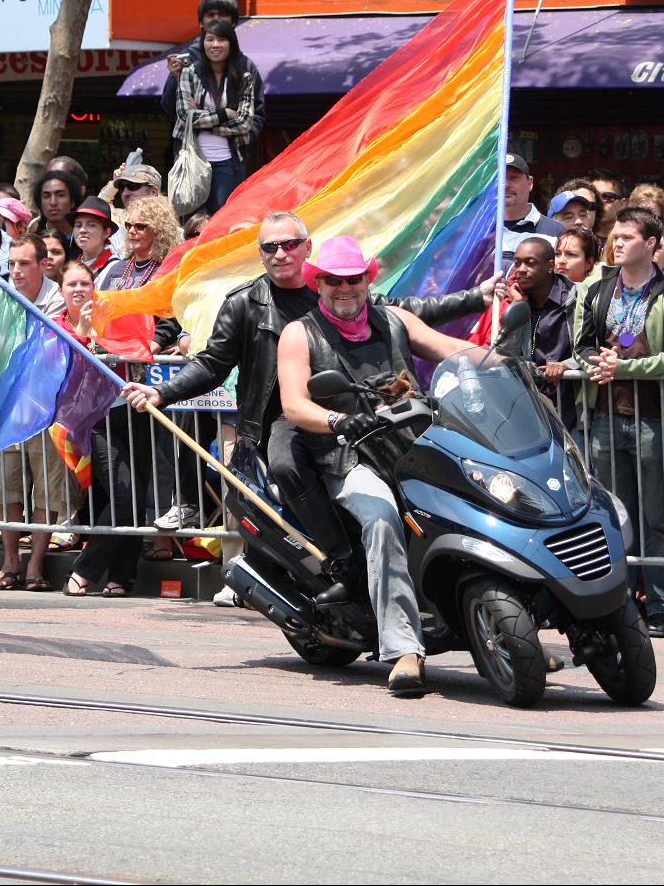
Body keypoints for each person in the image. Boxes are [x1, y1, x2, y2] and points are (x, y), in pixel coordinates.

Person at [122, 211, 497, 604]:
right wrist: (162, 393)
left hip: (354, 408)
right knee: (285, 463)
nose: (280, 253)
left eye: (289, 244)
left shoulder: (334, 286)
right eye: (271, 246)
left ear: (307, 249)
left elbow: (404, 311)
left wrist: (477, 298)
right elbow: (213, 363)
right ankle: (344, 562)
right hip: (284, 415)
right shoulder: (245, 303)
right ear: (260, 253)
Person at [275, 236, 478, 694]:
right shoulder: (299, 333)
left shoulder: (392, 317)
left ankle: (495, 627)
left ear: (368, 279)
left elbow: (451, 348)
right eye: (333, 280)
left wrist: (509, 364)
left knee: (481, 500)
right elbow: (294, 404)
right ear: (318, 283)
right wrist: (339, 419)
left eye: (353, 279)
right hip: (351, 458)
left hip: (414, 446)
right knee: (383, 518)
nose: (344, 288)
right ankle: (405, 650)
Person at [572, 207, 664, 631]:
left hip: (653, 417)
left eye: (627, 237)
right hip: (601, 415)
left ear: (652, 243)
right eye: (614, 236)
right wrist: (594, 366)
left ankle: (660, 604)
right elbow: (580, 346)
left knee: (656, 514)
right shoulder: (595, 289)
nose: (617, 243)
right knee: (610, 514)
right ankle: (615, 600)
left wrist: (624, 369)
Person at [65, 199, 185, 598]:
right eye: (129, 225)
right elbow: (99, 315)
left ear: (158, 230)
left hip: (146, 390)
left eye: (141, 226)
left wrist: (152, 342)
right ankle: (87, 567)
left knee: (138, 482)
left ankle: (122, 575)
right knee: (121, 489)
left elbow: (171, 318)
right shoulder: (115, 270)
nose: (132, 232)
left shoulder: (168, 269)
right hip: (107, 390)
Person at [0, 234, 71, 591]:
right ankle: (10, 562)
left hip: (47, 411)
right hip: (7, 411)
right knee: (5, 491)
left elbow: (42, 348)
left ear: (42, 264)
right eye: (12, 265)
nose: (16, 272)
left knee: (47, 493)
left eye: (23, 264)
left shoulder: (57, 298)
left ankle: (36, 565)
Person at [469, 236, 577, 425]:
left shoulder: (576, 299)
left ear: (550, 265)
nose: (521, 270)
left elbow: (592, 346)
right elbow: (505, 354)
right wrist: (519, 305)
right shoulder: (514, 301)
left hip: (572, 409)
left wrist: (568, 365)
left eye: (530, 263)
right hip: (528, 409)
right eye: (517, 263)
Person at [160, 0, 266, 147]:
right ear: (201, 22)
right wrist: (176, 80)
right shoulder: (185, 60)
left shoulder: (245, 66)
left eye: (223, 15)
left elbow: (256, 115)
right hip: (191, 156)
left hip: (232, 158)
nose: (216, 19)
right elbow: (169, 109)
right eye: (210, 15)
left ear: (233, 22)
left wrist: (241, 139)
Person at [175, 18, 257, 215]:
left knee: (221, 219)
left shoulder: (244, 78)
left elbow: (244, 123)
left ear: (231, 43)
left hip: (227, 162)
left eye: (222, 40)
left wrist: (202, 122)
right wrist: (224, 113)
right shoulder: (189, 73)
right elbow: (184, 116)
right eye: (209, 39)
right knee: (193, 222)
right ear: (203, 43)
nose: (215, 45)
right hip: (193, 161)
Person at [499, 155, 563, 273]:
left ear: (530, 183)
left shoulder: (557, 232)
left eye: (514, 178)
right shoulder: (477, 232)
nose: (506, 185)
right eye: (500, 178)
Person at [70, 196, 118, 276]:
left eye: (91, 225)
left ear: (106, 233)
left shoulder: (115, 269)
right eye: (78, 225)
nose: (82, 230)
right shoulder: (72, 267)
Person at [33, 168, 85, 240]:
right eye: (46, 196)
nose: (53, 202)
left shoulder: (85, 241)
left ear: (72, 202)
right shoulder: (34, 244)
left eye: (60, 195)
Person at [587, 170, 626, 238]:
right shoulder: (581, 238)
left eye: (607, 196)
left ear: (622, 204)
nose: (600, 202)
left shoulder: (629, 240)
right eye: (596, 196)